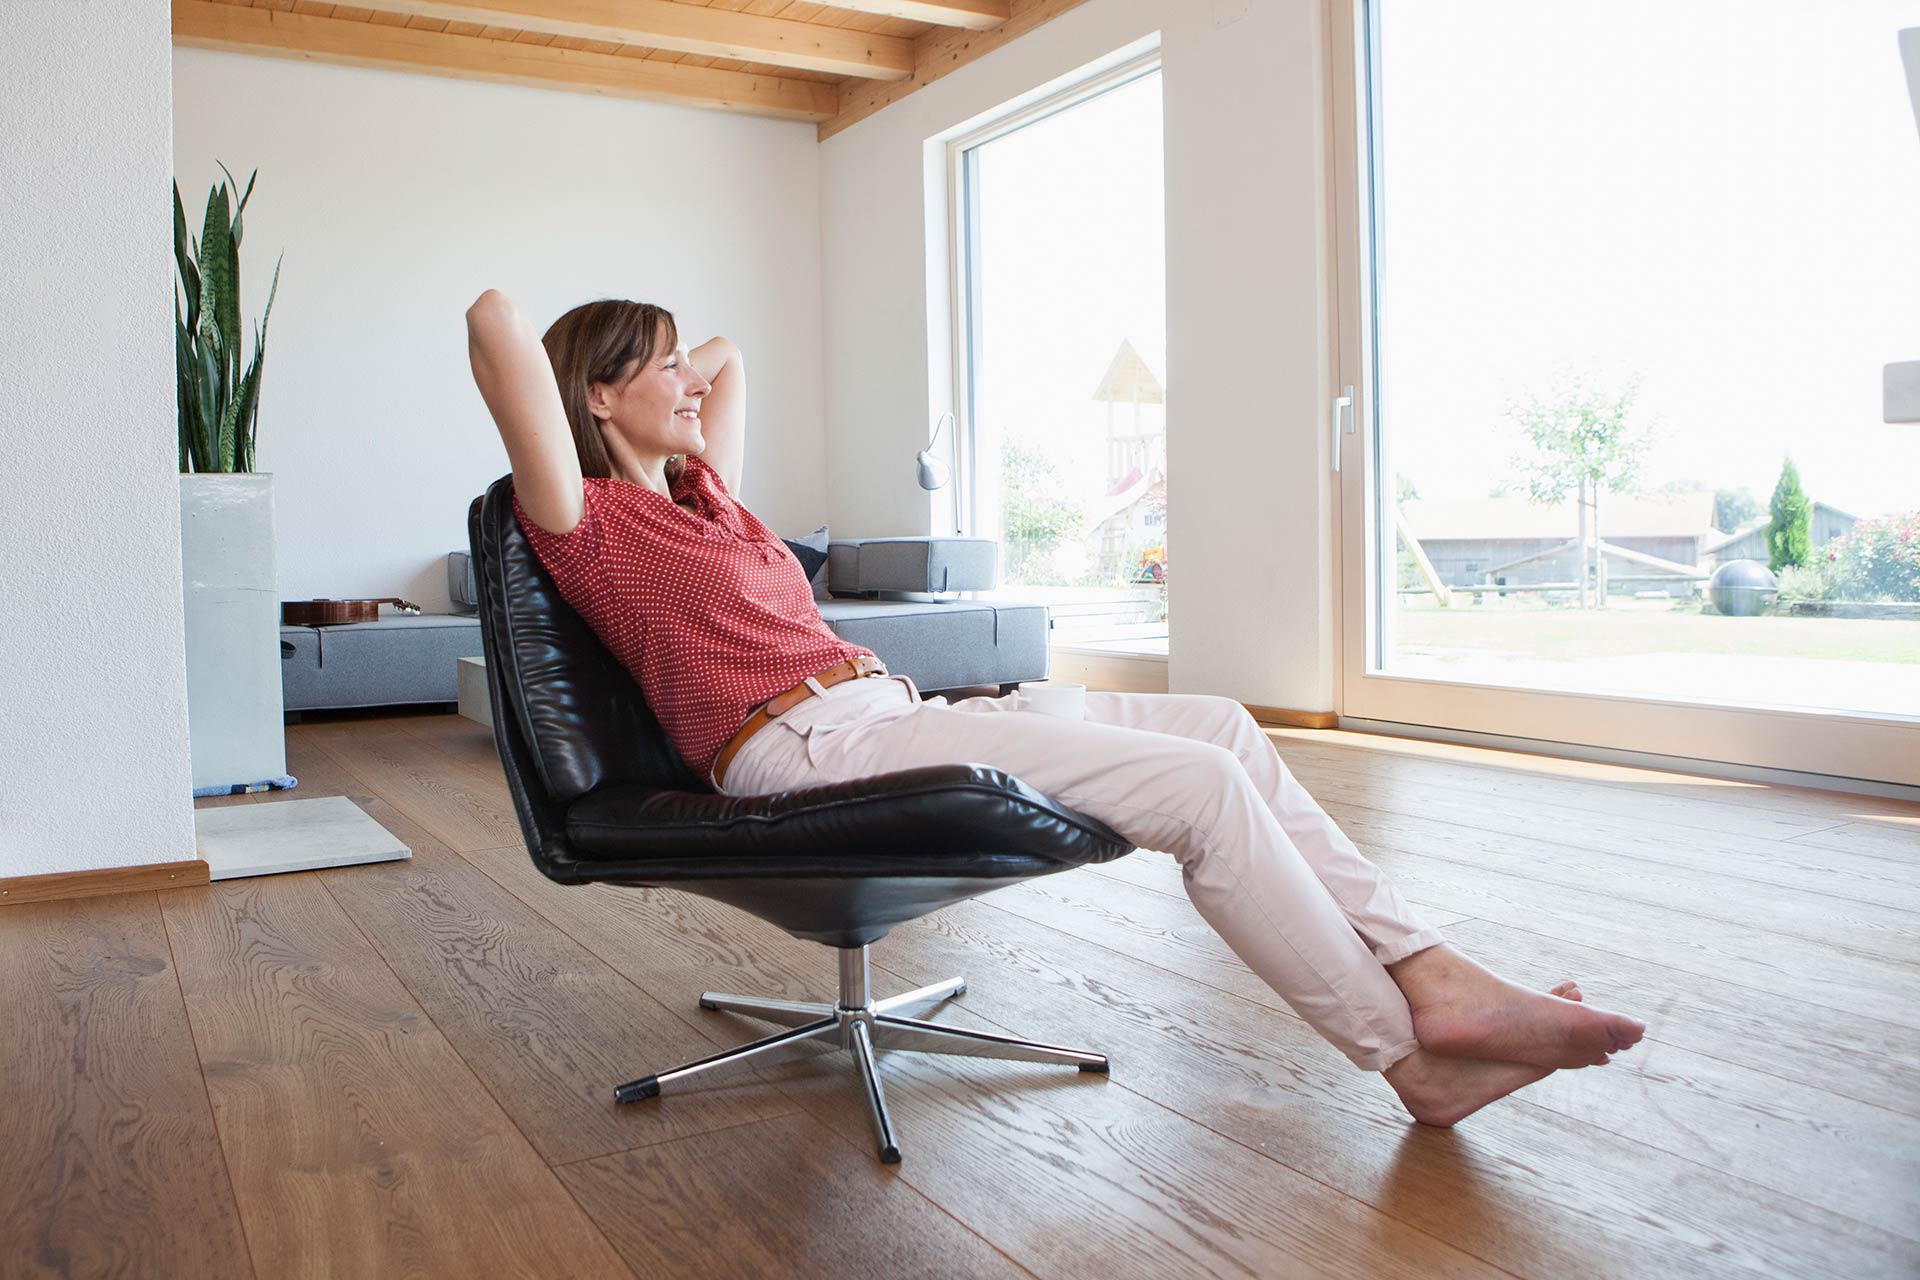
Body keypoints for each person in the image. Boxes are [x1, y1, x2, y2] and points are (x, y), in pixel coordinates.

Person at [465, 289, 1646, 1127]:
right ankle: (1410, 1056)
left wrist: (663, 366)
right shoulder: (585, 524)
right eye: (660, 367)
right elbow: (494, 322)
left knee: (1224, 725)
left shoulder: (708, 496)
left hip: (882, 709)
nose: (692, 382)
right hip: (798, 743)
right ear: (599, 393)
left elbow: (732, 360)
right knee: (1200, 789)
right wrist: (611, 368)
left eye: (682, 364)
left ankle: (1428, 969)